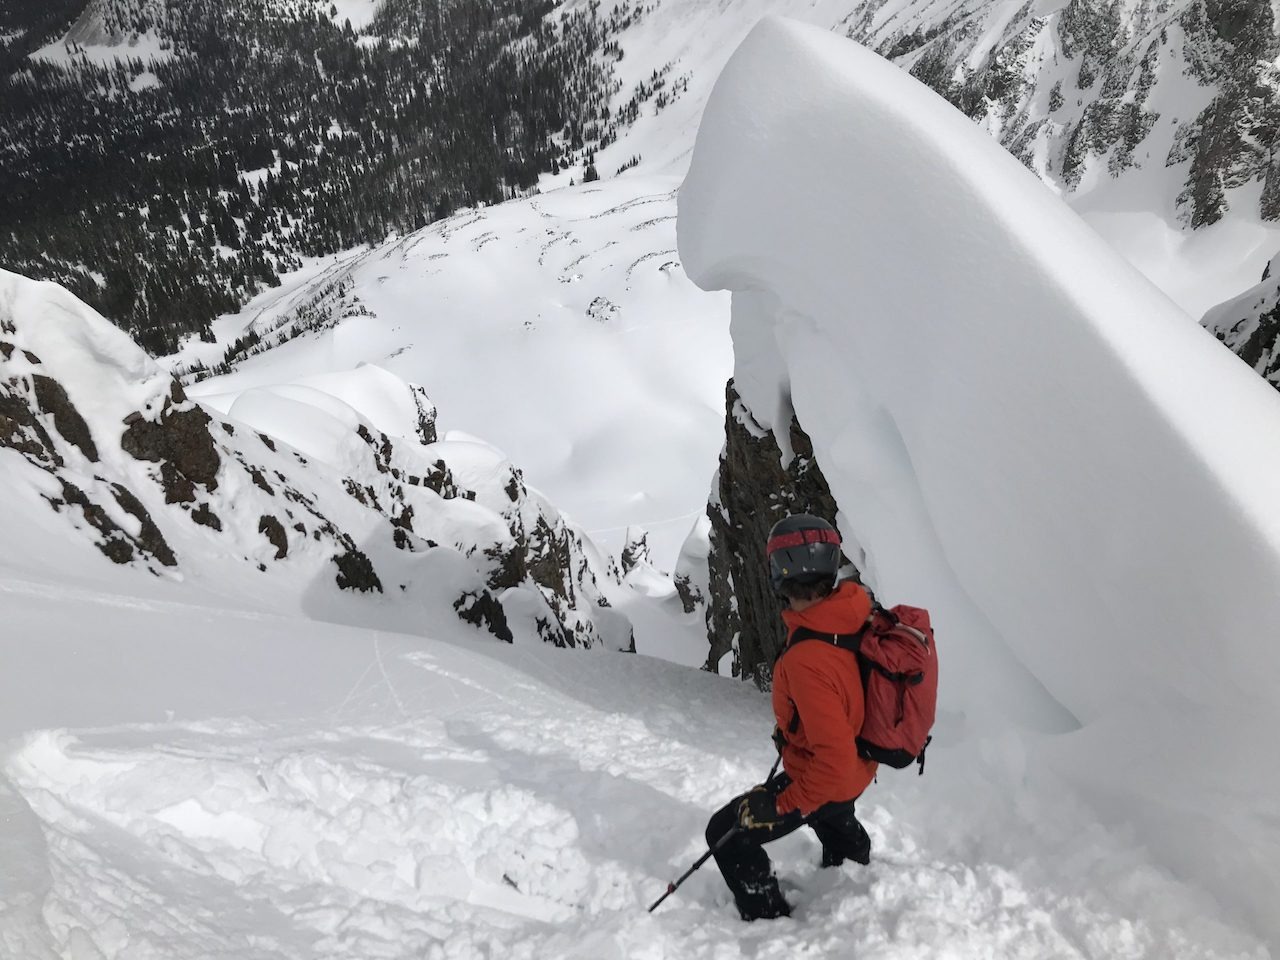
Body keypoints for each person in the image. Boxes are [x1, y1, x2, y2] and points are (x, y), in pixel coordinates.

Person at [705, 513, 877, 921]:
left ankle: (768, 923)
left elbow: (829, 765)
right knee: (834, 811)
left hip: (827, 775)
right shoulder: (849, 615)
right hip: (858, 764)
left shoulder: (807, 658)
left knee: (723, 834)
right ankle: (852, 864)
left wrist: (781, 804)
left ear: (780, 572)